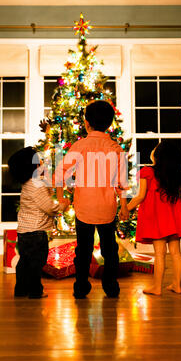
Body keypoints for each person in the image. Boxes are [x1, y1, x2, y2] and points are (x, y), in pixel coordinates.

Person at [54, 100, 129, 299]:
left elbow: (60, 173)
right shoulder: (115, 148)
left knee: (83, 249)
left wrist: (62, 197)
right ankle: (111, 287)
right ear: (110, 124)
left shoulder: (79, 146)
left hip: (84, 207)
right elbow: (121, 182)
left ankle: (81, 287)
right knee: (110, 249)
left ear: (87, 123)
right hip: (107, 207)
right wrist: (124, 205)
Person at [126, 141, 181, 296]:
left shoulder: (147, 171)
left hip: (157, 218)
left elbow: (140, 196)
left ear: (158, 155)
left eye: (155, 149)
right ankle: (177, 285)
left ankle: (157, 287)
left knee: (159, 253)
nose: (152, 151)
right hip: (173, 217)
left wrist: (125, 208)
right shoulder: (175, 174)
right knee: (176, 253)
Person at [8, 146, 69, 299]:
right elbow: (49, 207)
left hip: (24, 231)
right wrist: (63, 205)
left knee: (25, 262)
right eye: (39, 160)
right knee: (36, 264)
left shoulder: (29, 182)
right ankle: (35, 291)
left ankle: (21, 290)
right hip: (36, 233)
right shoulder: (37, 184)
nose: (42, 163)